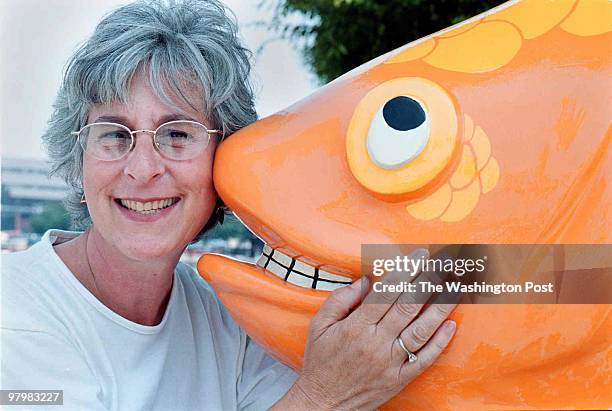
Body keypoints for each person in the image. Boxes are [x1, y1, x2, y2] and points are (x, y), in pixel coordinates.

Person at [0, 1, 457, 409]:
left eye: (177, 134)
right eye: (114, 135)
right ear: (78, 159)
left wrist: (498, 270)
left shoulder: (223, 318)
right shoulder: (15, 316)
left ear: (225, 163)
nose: (142, 169)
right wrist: (325, 397)